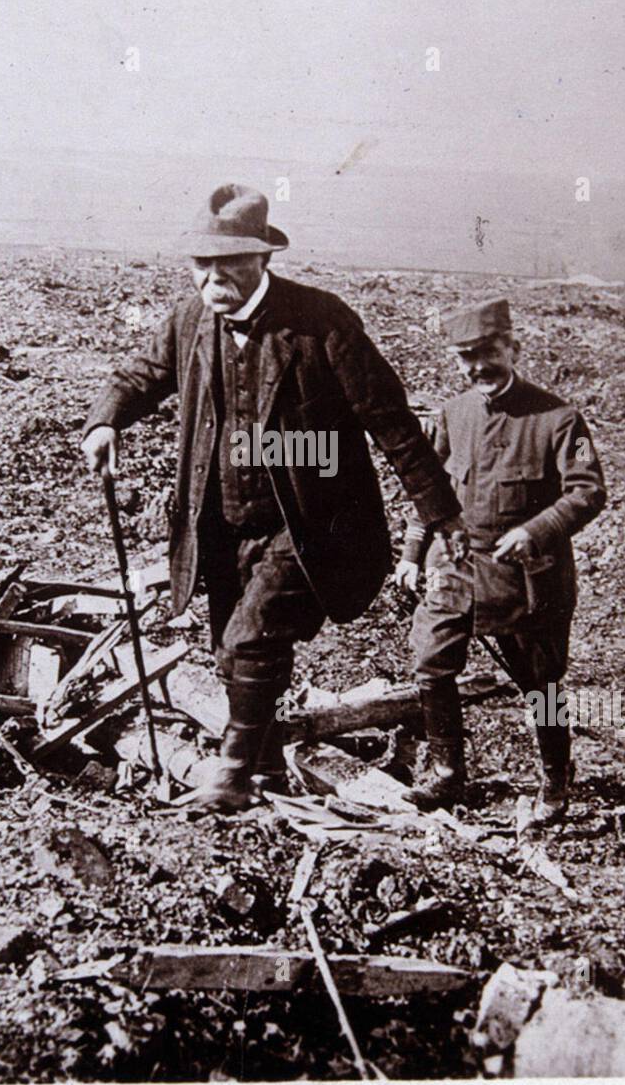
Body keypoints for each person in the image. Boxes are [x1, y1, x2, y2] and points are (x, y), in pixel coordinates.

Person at [82, 183, 467, 812]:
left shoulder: (322, 323)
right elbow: (141, 375)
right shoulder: (189, 323)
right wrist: (106, 421)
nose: (214, 277)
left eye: (229, 261)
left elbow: (389, 418)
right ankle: (264, 774)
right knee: (229, 651)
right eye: (203, 263)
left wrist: (439, 510)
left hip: (310, 524)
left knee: (252, 639)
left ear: (263, 258)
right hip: (222, 523)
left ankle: (231, 776)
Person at [393, 298, 607, 821]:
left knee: (542, 686)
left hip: (529, 581)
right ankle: (447, 775)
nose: (478, 367)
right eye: (466, 357)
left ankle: (555, 780)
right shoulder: (454, 413)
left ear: (513, 347)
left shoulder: (559, 419)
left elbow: (587, 491)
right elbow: (430, 490)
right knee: (430, 664)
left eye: (488, 352)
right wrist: (412, 553)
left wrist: (536, 531)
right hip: (457, 567)